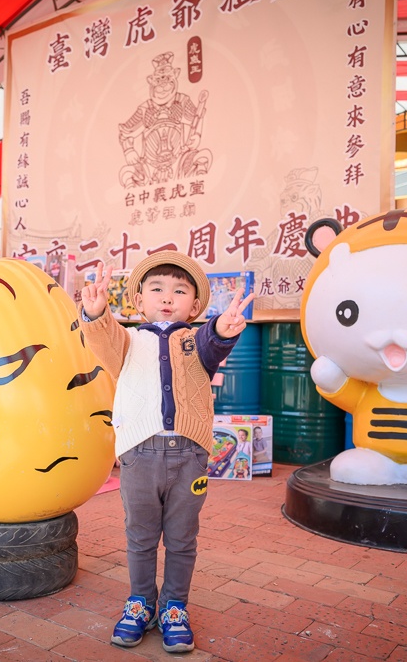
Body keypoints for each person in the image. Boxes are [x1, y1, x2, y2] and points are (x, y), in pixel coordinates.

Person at [80, 251, 254, 653]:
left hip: (189, 456)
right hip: (139, 455)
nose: (166, 297)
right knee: (140, 537)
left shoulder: (197, 341)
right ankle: (140, 602)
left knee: (181, 538)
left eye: (179, 291)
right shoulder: (126, 340)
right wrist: (96, 313)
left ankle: (174, 606)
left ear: (194, 306)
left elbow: (214, 343)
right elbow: (103, 338)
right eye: (156, 289)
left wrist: (224, 329)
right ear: (138, 300)